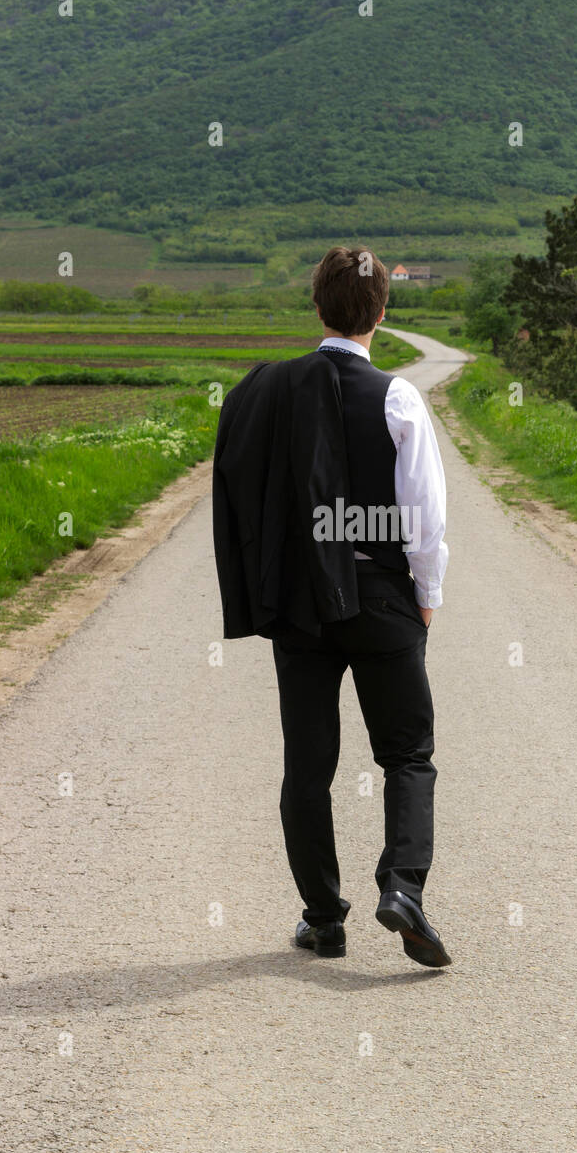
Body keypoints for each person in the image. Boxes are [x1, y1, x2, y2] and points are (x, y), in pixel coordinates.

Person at [212, 246, 450, 967]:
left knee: (307, 764)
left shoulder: (270, 392)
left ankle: (323, 917)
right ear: (383, 311)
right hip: (382, 598)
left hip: (303, 603)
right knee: (408, 754)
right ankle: (402, 887)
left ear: (317, 308)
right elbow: (425, 518)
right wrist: (426, 600)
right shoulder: (398, 398)